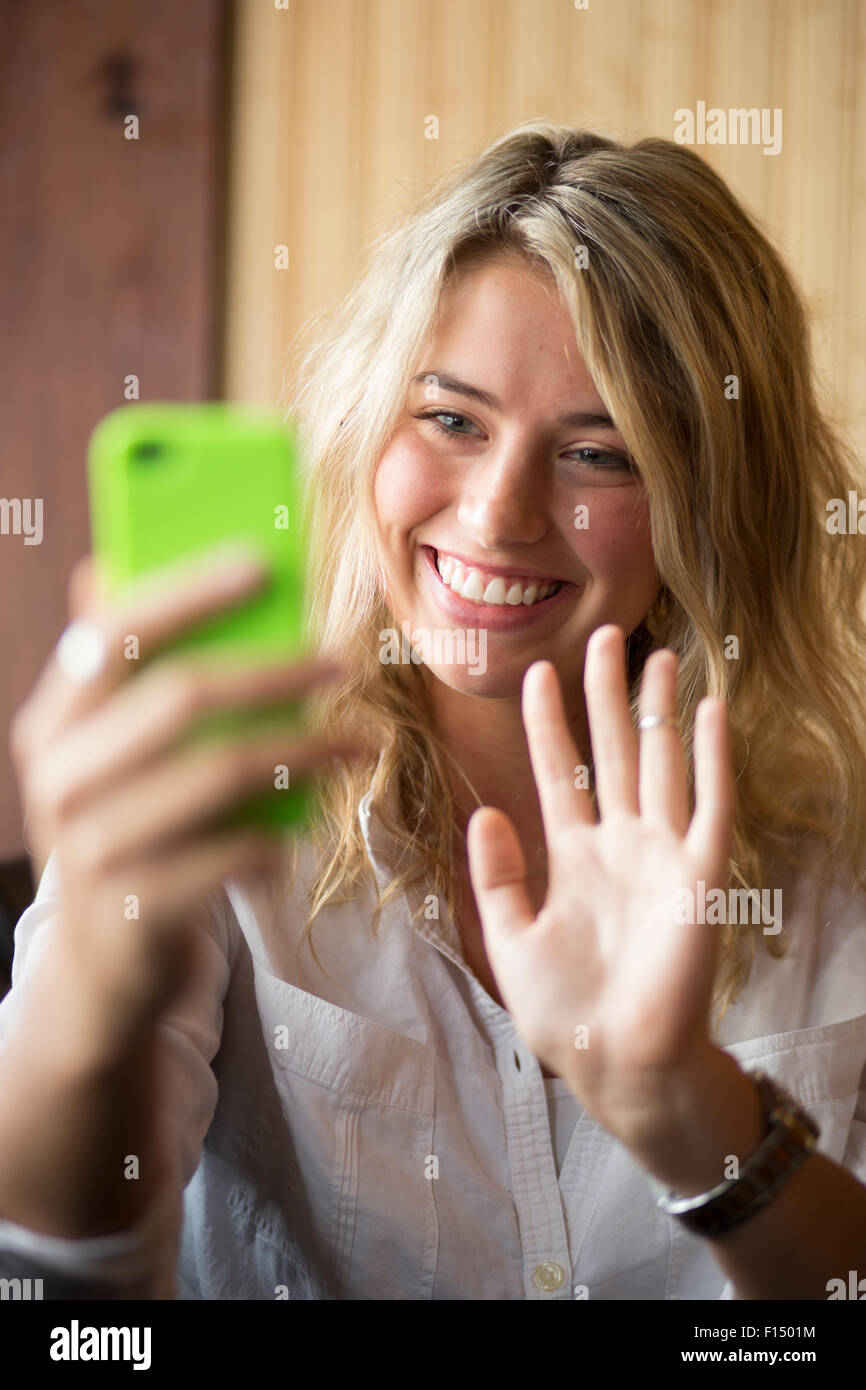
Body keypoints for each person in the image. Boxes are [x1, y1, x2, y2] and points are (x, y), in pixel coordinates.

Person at [1, 121, 865, 1301]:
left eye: (598, 453)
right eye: (450, 420)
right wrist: (97, 978)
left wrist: (681, 1104)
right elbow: (55, 1300)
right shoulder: (222, 790)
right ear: (371, 426)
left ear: (708, 499)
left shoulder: (836, 865)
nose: (500, 511)